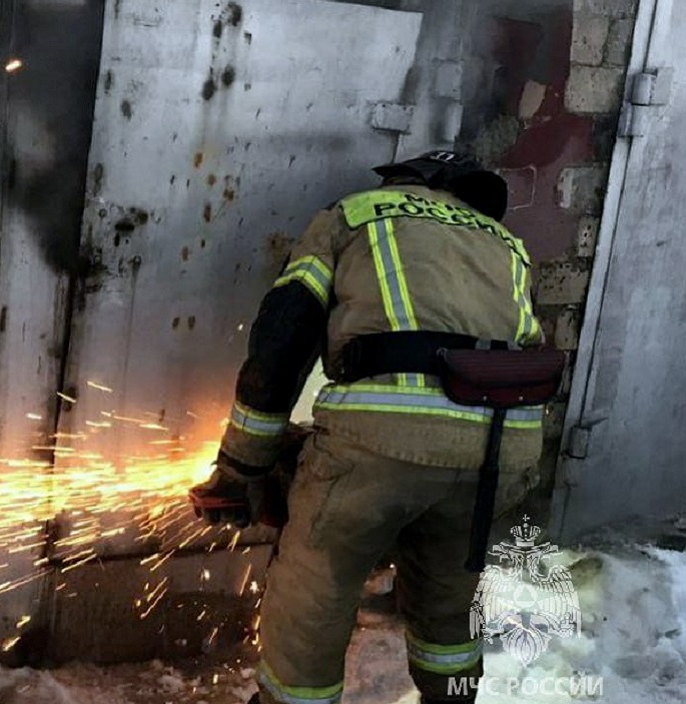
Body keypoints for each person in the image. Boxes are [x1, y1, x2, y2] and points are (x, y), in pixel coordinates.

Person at [190, 151, 551, 704]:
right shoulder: (505, 241)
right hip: (506, 445)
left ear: (410, 179)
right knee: (450, 592)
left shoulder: (354, 214)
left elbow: (283, 338)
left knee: (317, 579)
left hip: (388, 438)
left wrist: (243, 465)